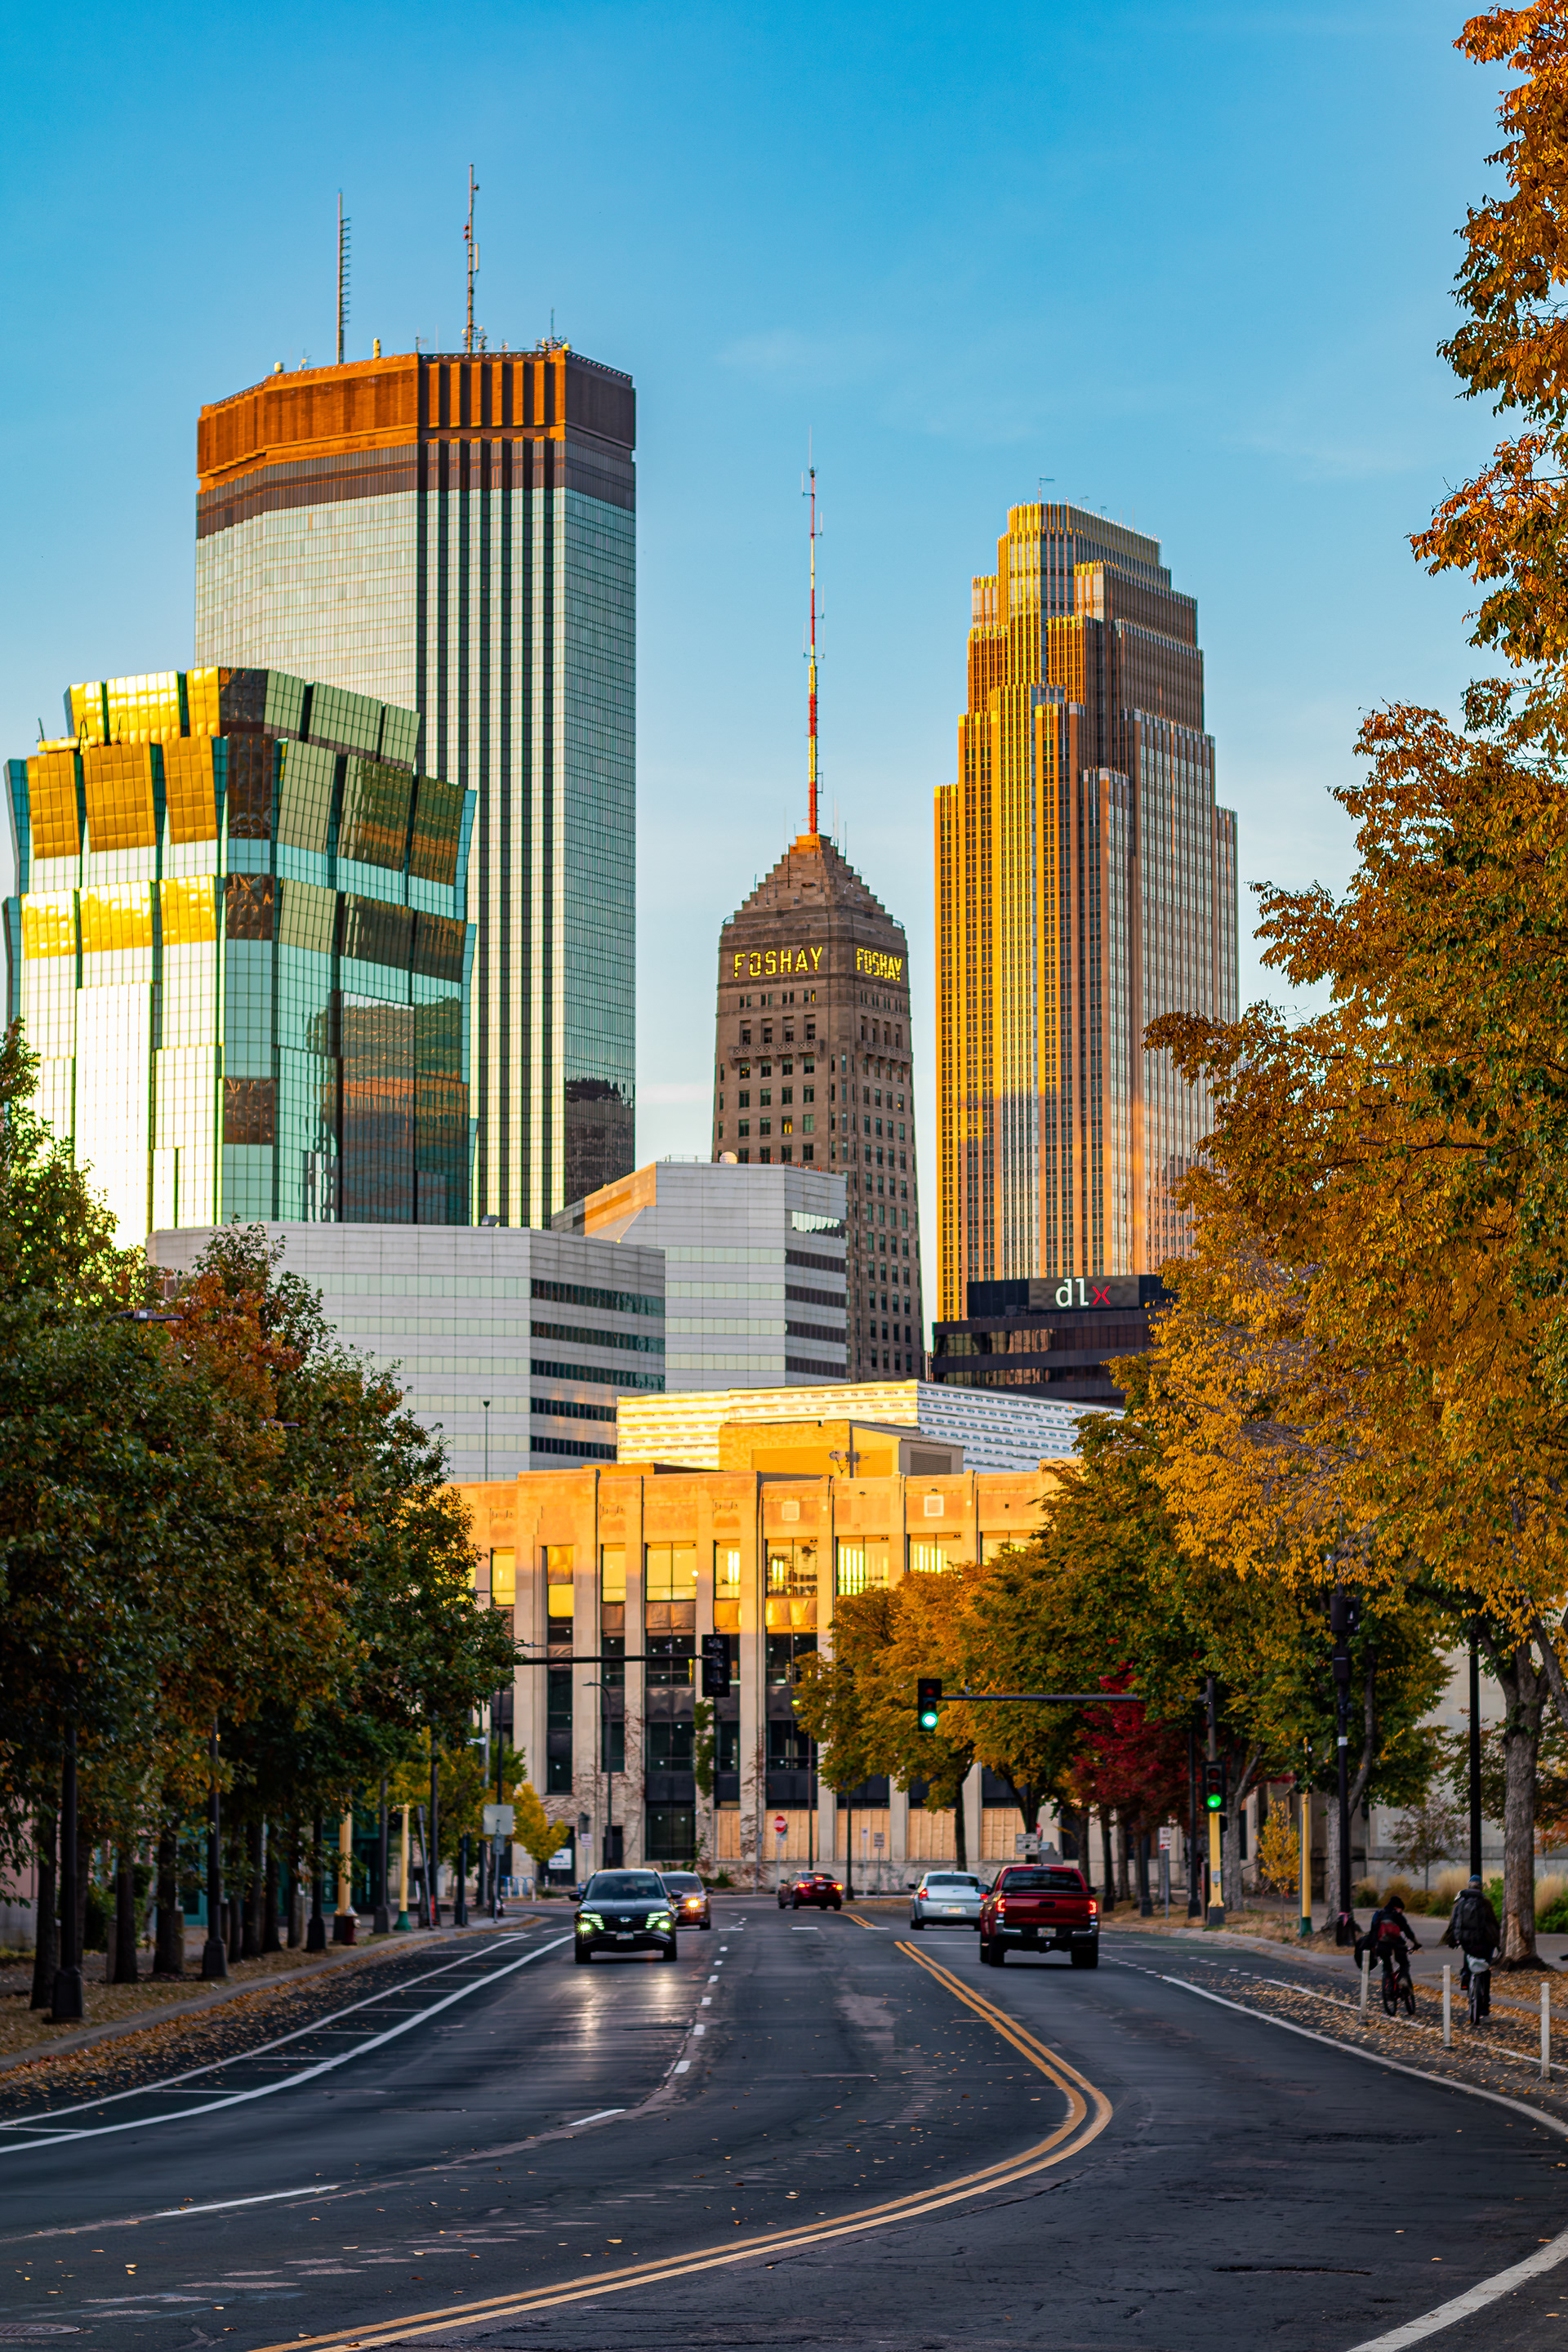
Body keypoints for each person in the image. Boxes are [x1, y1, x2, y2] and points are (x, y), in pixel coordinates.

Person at [1441, 1873, 1501, 2002]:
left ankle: (1465, 1977)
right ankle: (1484, 2002)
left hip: (1466, 1940)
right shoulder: (1485, 1902)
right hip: (1484, 1942)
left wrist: (1453, 1939)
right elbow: (1493, 1922)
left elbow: (1453, 1922)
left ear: (1469, 1886)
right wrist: (1498, 1941)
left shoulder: (1460, 1902)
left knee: (1467, 1957)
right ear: (1481, 1888)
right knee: (1485, 1968)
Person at [1357, 1891, 1422, 2002]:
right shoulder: (1398, 1916)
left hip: (1380, 1944)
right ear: (1398, 1907)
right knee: (1404, 1963)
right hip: (1397, 1943)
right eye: (1402, 1909)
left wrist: (1374, 1946)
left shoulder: (1379, 1914)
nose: (1402, 1912)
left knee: (1387, 1966)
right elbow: (1408, 1932)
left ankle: (1388, 1988)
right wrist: (1416, 1943)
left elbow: (1373, 1931)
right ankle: (1402, 1980)